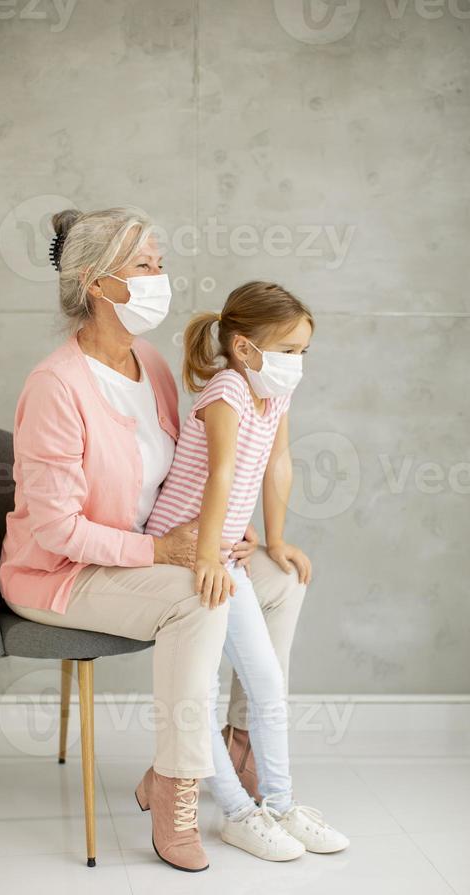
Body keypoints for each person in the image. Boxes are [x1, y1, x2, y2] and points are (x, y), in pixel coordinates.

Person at [0, 206, 304, 873]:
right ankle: (176, 784)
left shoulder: (153, 365)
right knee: (198, 599)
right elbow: (56, 530)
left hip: (140, 557)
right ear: (96, 284)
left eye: (160, 264)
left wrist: (226, 533)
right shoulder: (57, 386)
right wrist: (164, 553)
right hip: (61, 575)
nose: (160, 278)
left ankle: (239, 748)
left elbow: (188, 476)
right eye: (144, 266)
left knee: (277, 579)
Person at [144, 281, 350, 860]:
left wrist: (274, 538)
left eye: (303, 353)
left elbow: (276, 463)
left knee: (265, 682)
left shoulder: (271, 393)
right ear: (244, 347)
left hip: (219, 549)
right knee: (203, 690)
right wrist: (210, 554)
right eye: (287, 351)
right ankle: (236, 811)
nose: (296, 365)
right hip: (183, 551)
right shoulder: (228, 391)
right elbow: (222, 474)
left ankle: (280, 804)